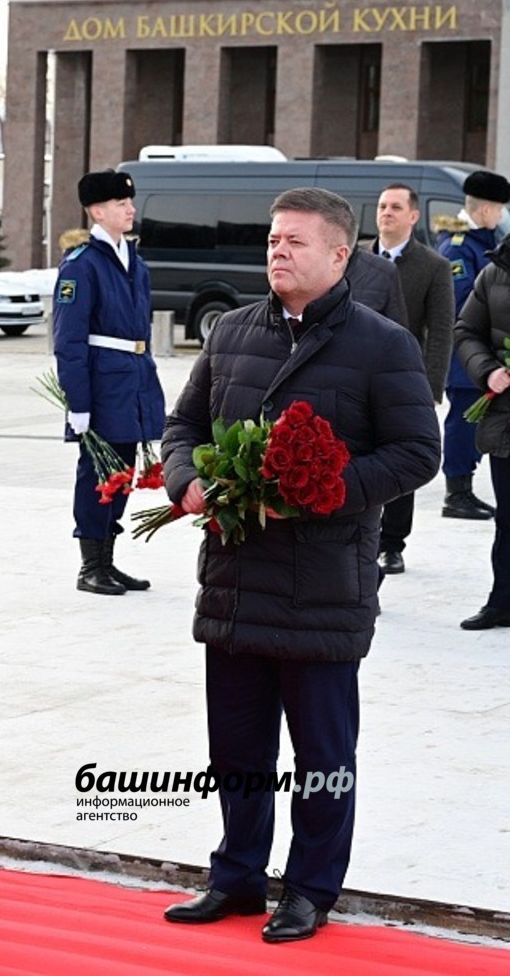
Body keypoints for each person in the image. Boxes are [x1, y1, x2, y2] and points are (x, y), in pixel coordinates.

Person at [160, 187, 438, 943]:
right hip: (236, 575)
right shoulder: (233, 331)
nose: (278, 251)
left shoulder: (381, 344)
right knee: (237, 748)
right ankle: (237, 874)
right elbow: (183, 423)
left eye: (296, 242)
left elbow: (418, 452)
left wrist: (326, 491)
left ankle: (311, 886)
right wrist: (188, 481)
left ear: (340, 255)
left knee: (320, 753)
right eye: (274, 240)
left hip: (322, 582)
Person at [53, 170, 166, 595]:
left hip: (133, 381)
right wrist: (77, 403)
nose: (131, 209)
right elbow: (68, 341)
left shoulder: (134, 261)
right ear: (98, 211)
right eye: (122, 204)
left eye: (129, 203)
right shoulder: (81, 266)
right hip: (102, 387)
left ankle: (109, 562)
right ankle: (90, 567)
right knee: (98, 474)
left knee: (122, 472)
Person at [372, 183, 453, 575]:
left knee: (399, 460)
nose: (386, 212)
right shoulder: (355, 259)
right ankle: (361, 536)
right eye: (382, 206)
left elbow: (441, 331)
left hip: (405, 380)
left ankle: (392, 544)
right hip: (355, 375)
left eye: (395, 207)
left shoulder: (433, 266)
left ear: (413, 216)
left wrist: (432, 387)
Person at [435, 169, 510, 520]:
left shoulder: (485, 241)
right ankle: (457, 492)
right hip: (468, 361)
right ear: (485, 210)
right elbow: (461, 303)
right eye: (499, 209)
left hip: (489, 361)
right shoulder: (459, 246)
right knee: (463, 424)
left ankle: (465, 485)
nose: (501, 216)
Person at [453, 234, 510, 630]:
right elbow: (465, 330)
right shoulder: (494, 273)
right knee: (507, 518)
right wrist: (488, 370)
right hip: (506, 416)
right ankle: (502, 601)